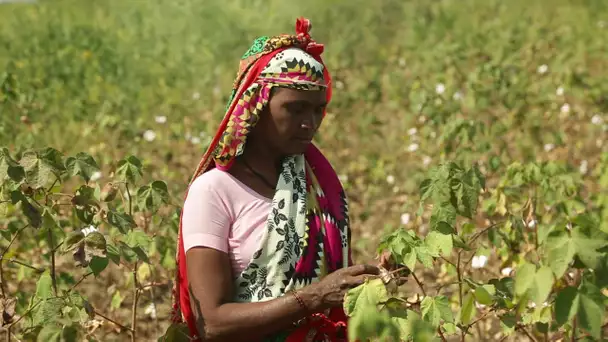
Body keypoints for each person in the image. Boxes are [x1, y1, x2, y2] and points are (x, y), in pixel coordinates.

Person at [170, 18, 394, 342]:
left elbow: (326, 281)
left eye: (318, 110)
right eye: (295, 109)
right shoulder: (214, 192)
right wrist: (313, 298)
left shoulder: (315, 183)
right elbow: (213, 323)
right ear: (256, 105)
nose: (310, 123)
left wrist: (368, 279)